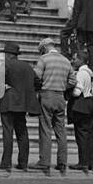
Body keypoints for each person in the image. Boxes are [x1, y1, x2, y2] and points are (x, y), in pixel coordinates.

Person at [0, 40, 39, 173]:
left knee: (8, 132)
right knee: (22, 132)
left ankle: (6, 162)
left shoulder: (6, 64)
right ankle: (23, 162)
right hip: (23, 103)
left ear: (7, 54)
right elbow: (37, 82)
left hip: (8, 101)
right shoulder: (27, 66)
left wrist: (4, 85)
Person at [32, 37, 72, 176]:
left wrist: (40, 88)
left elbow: (36, 76)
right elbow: (72, 80)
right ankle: (62, 162)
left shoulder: (44, 59)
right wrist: (62, 87)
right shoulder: (66, 61)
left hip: (46, 95)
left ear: (44, 48)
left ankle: (45, 161)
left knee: (45, 129)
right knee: (60, 130)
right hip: (60, 96)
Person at [69, 57, 93, 172]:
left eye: (75, 58)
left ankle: (83, 162)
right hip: (91, 104)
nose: (73, 61)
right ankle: (91, 162)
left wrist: (70, 92)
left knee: (81, 134)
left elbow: (77, 92)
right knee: (90, 135)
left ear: (82, 61)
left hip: (81, 105)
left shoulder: (81, 74)